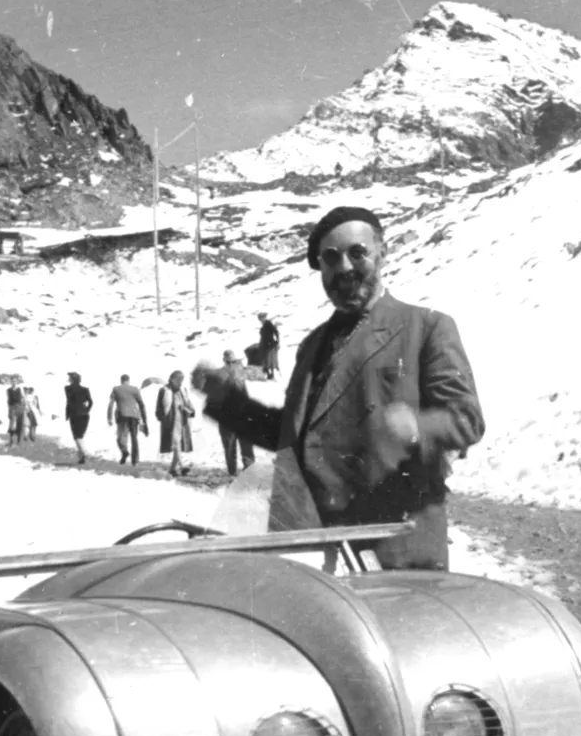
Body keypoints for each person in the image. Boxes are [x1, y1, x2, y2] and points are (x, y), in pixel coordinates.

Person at [194, 205, 484, 569]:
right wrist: (227, 401)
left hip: (393, 549)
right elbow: (292, 435)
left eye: (357, 252)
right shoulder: (313, 346)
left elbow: (466, 418)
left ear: (382, 252)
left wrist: (416, 426)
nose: (344, 266)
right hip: (315, 549)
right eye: (331, 258)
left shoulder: (426, 327)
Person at [217, 351, 255, 478]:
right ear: (224, 361)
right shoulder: (219, 375)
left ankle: (249, 469)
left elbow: (245, 395)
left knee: (247, 444)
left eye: (233, 362)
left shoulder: (239, 376)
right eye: (228, 362)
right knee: (229, 446)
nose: (231, 364)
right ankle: (232, 472)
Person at [155, 369, 195, 477]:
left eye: (181, 380)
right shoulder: (164, 390)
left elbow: (188, 402)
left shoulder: (183, 390)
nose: (180, 382)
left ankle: (172, 469)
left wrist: (189, 410)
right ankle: (183, 466)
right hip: (170, 421)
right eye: (178, 380)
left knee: (179, 443)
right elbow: (159, 406)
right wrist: (161, 417)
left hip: (182, 421)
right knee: (176, 442)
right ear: (172, 379)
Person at [107, 372, 149, 466]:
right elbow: (141, 404)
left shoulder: (116, 389)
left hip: (122, 416)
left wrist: (109, 417)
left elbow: (111, 404)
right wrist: (145, 419)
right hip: (134, 416)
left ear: (121, 381)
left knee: (121, 437)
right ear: (128, 381)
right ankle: (135, 461)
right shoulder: (135, 389)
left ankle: (124, 451)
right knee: (134, 438)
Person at [64, 371, 92, 464]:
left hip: (74, 414)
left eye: (69, 377)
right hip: (85, 414)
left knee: (76, 437)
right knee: (80, 436)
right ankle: (83, 456)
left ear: (72, 379)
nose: (68, 379)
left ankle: (84, 454)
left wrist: (67, 414)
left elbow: (69, 402)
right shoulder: (85, 389)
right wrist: (86, 410)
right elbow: (91, 402)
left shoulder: (67, 388)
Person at [257, 312, 280, 379]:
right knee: (266, 359)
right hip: (264, 344)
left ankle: (271, 374)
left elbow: (275, 332)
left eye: (261, 318)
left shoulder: (268, 323)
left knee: (269, 359)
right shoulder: (264, 325)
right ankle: (268, 373)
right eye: (260, 319)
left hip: (269, 344)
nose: (261, 320)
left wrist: (278, 341)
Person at [5, 375, 27, 445]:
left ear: (17, 382)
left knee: (20, 424)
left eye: (15, 381)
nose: (14, 382)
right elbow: (8, 399)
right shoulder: (8, 390)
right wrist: (9, 409)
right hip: (12, 407)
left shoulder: (20, 389)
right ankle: (11, 439)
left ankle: (19, 440)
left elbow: (23, 398)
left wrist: (25, 406)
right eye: (12, 381)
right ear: (11, 382)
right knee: (12, 423)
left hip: (19, 407)